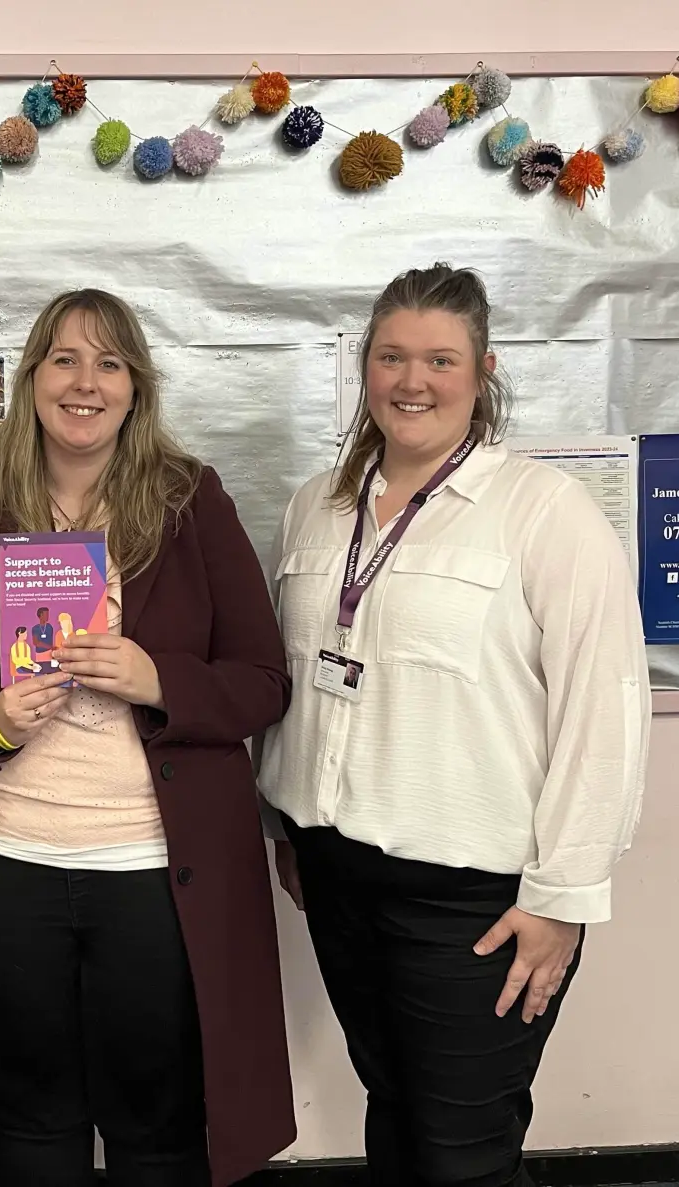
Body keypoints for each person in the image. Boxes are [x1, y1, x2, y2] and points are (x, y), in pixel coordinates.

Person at [0, 288, 295, 1187]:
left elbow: (264, 681)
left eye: (110, 363)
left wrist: (159, 680)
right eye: (64, 359)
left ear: (136, 389)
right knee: (32, 1118)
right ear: (30, 380)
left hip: (153, 876)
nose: (86, 382)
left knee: (159, 1123)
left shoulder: (190, 504)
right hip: (5, 865)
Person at [258, 264, 650, 1187]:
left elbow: (607, 713)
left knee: (463, 1152)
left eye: (440, 358)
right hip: (336, 873)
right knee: (392, 1110)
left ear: (484, 370)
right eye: (392, 356)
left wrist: (564, 897)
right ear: (364, 368)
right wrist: (285, 824)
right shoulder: (316, 505)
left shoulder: (544, 513)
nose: (412, 380)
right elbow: (296, 682)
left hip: (479, 899)